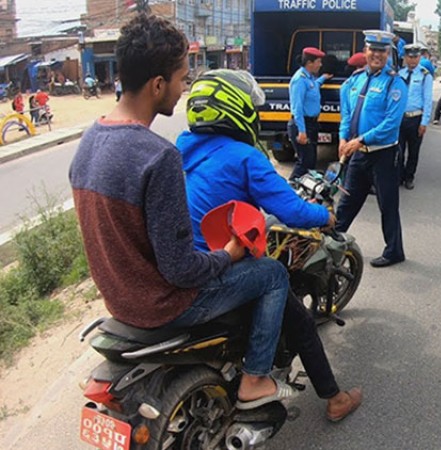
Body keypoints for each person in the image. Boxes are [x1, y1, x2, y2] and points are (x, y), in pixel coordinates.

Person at [68, 14, 294, 411]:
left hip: (118, 301)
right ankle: (255, 379)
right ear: (158, 85)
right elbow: (180, 270)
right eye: (181, 79)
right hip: (164, 305)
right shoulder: (158, 156)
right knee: (273, 274)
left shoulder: (90, 140)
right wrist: (228, 255)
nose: (183, 89)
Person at [177, 69, 363, 422]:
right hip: (214, 274)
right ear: (237, 110)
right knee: (284, 291)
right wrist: (324, 217)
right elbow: (291, 210)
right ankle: (266, 380)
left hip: (186, 265)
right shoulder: (243, 157)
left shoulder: (180, 149)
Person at [336, 30, 408, 268]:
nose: (376, 55)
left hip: (383, 154)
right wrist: (342, 138)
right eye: (372, 50)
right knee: (347, 201)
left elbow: (391, 123)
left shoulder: (394, 83)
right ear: (365, 51)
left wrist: (361, 140)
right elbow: (347, 113)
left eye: (382, 51)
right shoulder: (354, 81)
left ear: (388, 54)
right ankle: (332, 242)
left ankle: (394, 251)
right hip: (358, 154)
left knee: (387, 205)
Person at [288, 47, 333, 180]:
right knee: (304, 163)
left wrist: (323, 78)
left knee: (310, 163)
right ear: (310, 63)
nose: (321, 65)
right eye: (318, 62)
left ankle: (304, 193)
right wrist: (302, 131)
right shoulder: (299, 80)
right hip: (302, 125)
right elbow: (297, 108)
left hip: (311, 124)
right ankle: (290, 188)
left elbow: (313, 86)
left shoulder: (309, 78)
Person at [396, 43, 433, 190]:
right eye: (409, 57)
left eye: (415, 57)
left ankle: (409, 177)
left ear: (419, 57)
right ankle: (398, 176)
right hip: (400, 119)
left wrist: (424, 122)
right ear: (404, 58)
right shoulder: (399, 74)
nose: (412, 60)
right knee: (398, 151)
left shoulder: (425, 76)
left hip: (416, 118)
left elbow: (427, 100)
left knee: (413, 151)